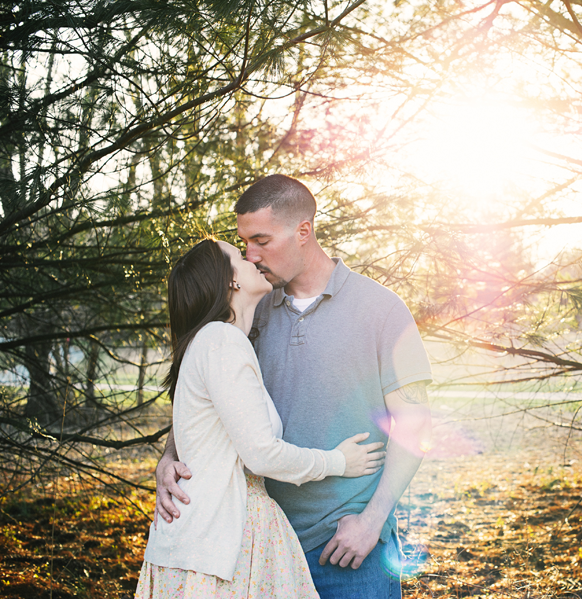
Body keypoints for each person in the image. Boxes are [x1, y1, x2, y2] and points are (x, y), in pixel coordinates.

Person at [155, 175, 433, 599]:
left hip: (347, 548)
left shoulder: (383, 309)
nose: (252, 254)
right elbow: (209, 401)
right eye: (243, 243)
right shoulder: (246, 313)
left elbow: (414, 424)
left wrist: (372, 522)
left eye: (261, 240)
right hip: (259, 550)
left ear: (304, 231)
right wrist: (171, 456)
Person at [137, 238, 386, 598]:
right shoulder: (221, 341)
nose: (252, 256)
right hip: (214, 544)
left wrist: (168, 456)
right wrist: (338, 462)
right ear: (230, 281)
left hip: (208, 538)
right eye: (240, 254)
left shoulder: (216, 341)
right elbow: (261, 454)